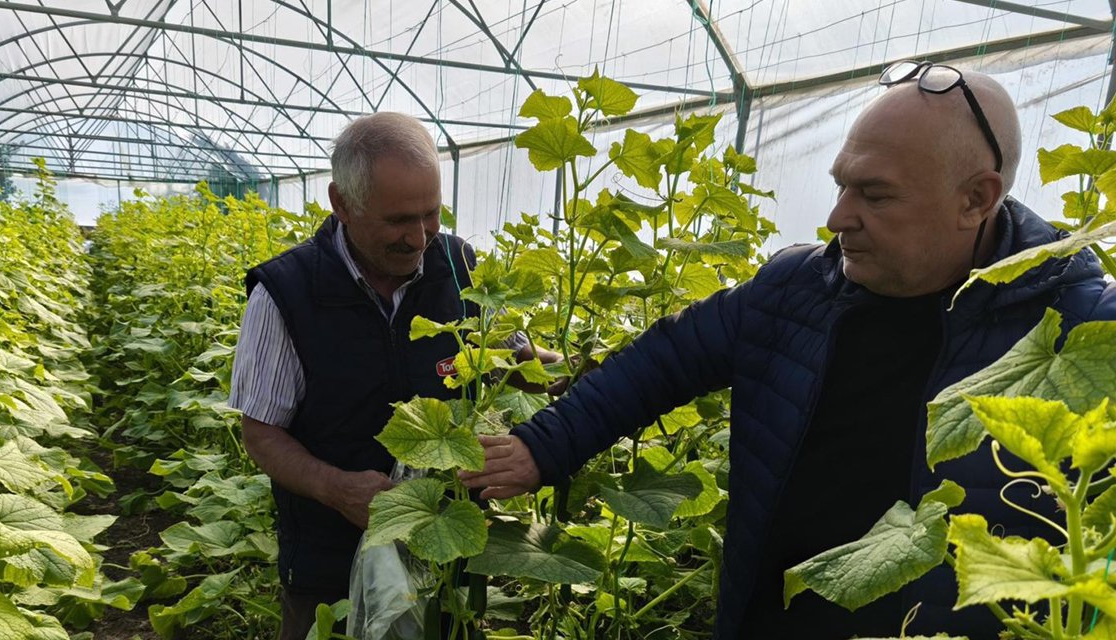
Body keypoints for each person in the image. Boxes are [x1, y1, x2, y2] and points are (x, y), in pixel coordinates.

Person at [460, 62, 1116, 639]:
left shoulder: (1081, 327)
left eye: (875, 194)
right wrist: (542, 447)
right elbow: (662, 362)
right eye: (841, 185)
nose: (837, 217)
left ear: (976, 199)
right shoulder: (796, 288)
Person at [229, 112, 552, 640]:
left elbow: (512, 356)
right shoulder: (285, 293)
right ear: (342, 204)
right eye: (399, 220)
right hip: (329, 555)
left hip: (444, 547)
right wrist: (338, 489)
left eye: (431, 214)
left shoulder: (459, 263)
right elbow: (261, 433)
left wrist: (585, 368)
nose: (420, 237)